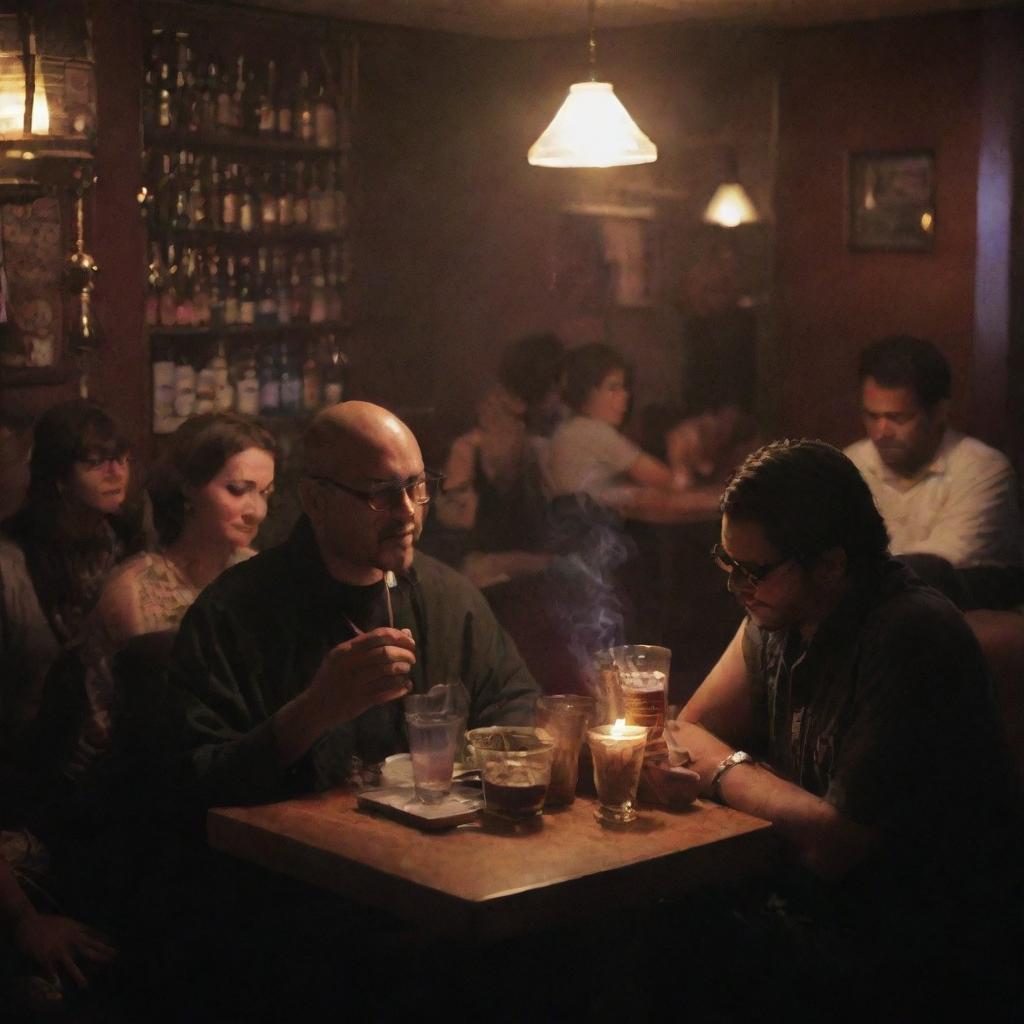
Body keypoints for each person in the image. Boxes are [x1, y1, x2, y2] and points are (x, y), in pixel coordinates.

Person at [650, 440, 1020, 1015]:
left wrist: (725, 771)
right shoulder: (776, 611)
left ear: (831, 562)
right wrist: (766, 788)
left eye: (754, 570)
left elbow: (834, 843)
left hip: (910, 952)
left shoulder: (909, 635)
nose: (736, 586)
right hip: (814, 910)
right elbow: (690, 727)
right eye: (727, 563)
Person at [163, 401, 540, 811]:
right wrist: (314, 711)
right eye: (382, 493)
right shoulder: (231, 612)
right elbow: (192, 783)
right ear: (316, 501)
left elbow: (516, 706)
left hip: (434, 856)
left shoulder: (449, 598)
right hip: (298, 863)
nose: (408, 513)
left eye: (416, 487)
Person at [67, 414, 277, 775]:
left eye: (265, 493)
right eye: (238, 490)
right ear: (188, 489)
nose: (256, 511)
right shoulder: (135, 590)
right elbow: (149, 731)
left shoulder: (258, 574)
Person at [0, 400, 147, 763]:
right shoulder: (12, 561)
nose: (116, 473)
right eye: (95, 462)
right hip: (33, 754)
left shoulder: (132, 540)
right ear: (60, 476)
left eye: (122, 459)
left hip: (122, 744)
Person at [844, 335, 1023, 610]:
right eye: (872, 416)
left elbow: (933, 571)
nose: (881, 432)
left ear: (939, 411)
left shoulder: (982, 469)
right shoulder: (850, 463)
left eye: (898, 418)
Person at [434, 332, 564, 587]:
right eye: (558, 390)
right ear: (546, 389)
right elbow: (455, 533)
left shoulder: (535, 439)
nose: (561, 398)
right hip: (482, 573)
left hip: (518, 566)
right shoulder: (471, 446)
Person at [545, 343, 718, 523]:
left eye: (624, 387)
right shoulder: (594, 433)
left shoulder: (572, 427)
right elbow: (671, 483)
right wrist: (680, 454)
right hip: (589, 534)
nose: (625, 395)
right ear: (587, 392)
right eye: (613, 388)